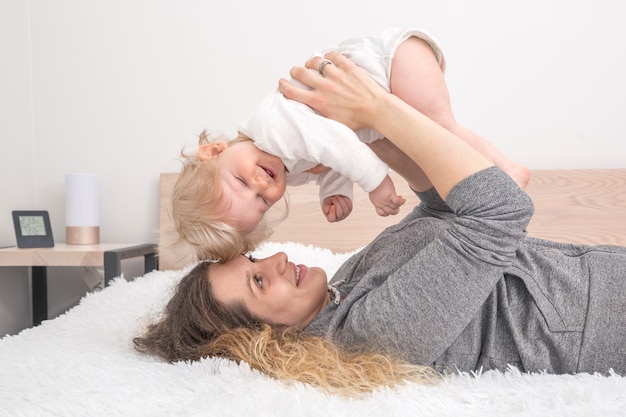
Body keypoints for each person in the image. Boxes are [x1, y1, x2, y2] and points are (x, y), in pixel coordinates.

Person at [134, 53, 626, 397]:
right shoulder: (370, 334)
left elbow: (442, 213)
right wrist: (379, 109)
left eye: (258, 259)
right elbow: (501, 211)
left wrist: (366, 136)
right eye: (259, 281)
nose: (279, 259)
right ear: (264, 339)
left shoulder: (344, 287)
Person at [164, 28, 530, 266]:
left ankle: (507, 169)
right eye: (261, 202)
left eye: (242, 184)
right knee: (433, 133)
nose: (262, 188)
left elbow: (337, 144)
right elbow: (329, 155)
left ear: (214, 151)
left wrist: (377, 184)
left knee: (440, 130)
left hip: (391, 64)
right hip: (389, 78)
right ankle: (502, 172)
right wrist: (336, 192)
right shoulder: (284, 163)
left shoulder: (272, 129)